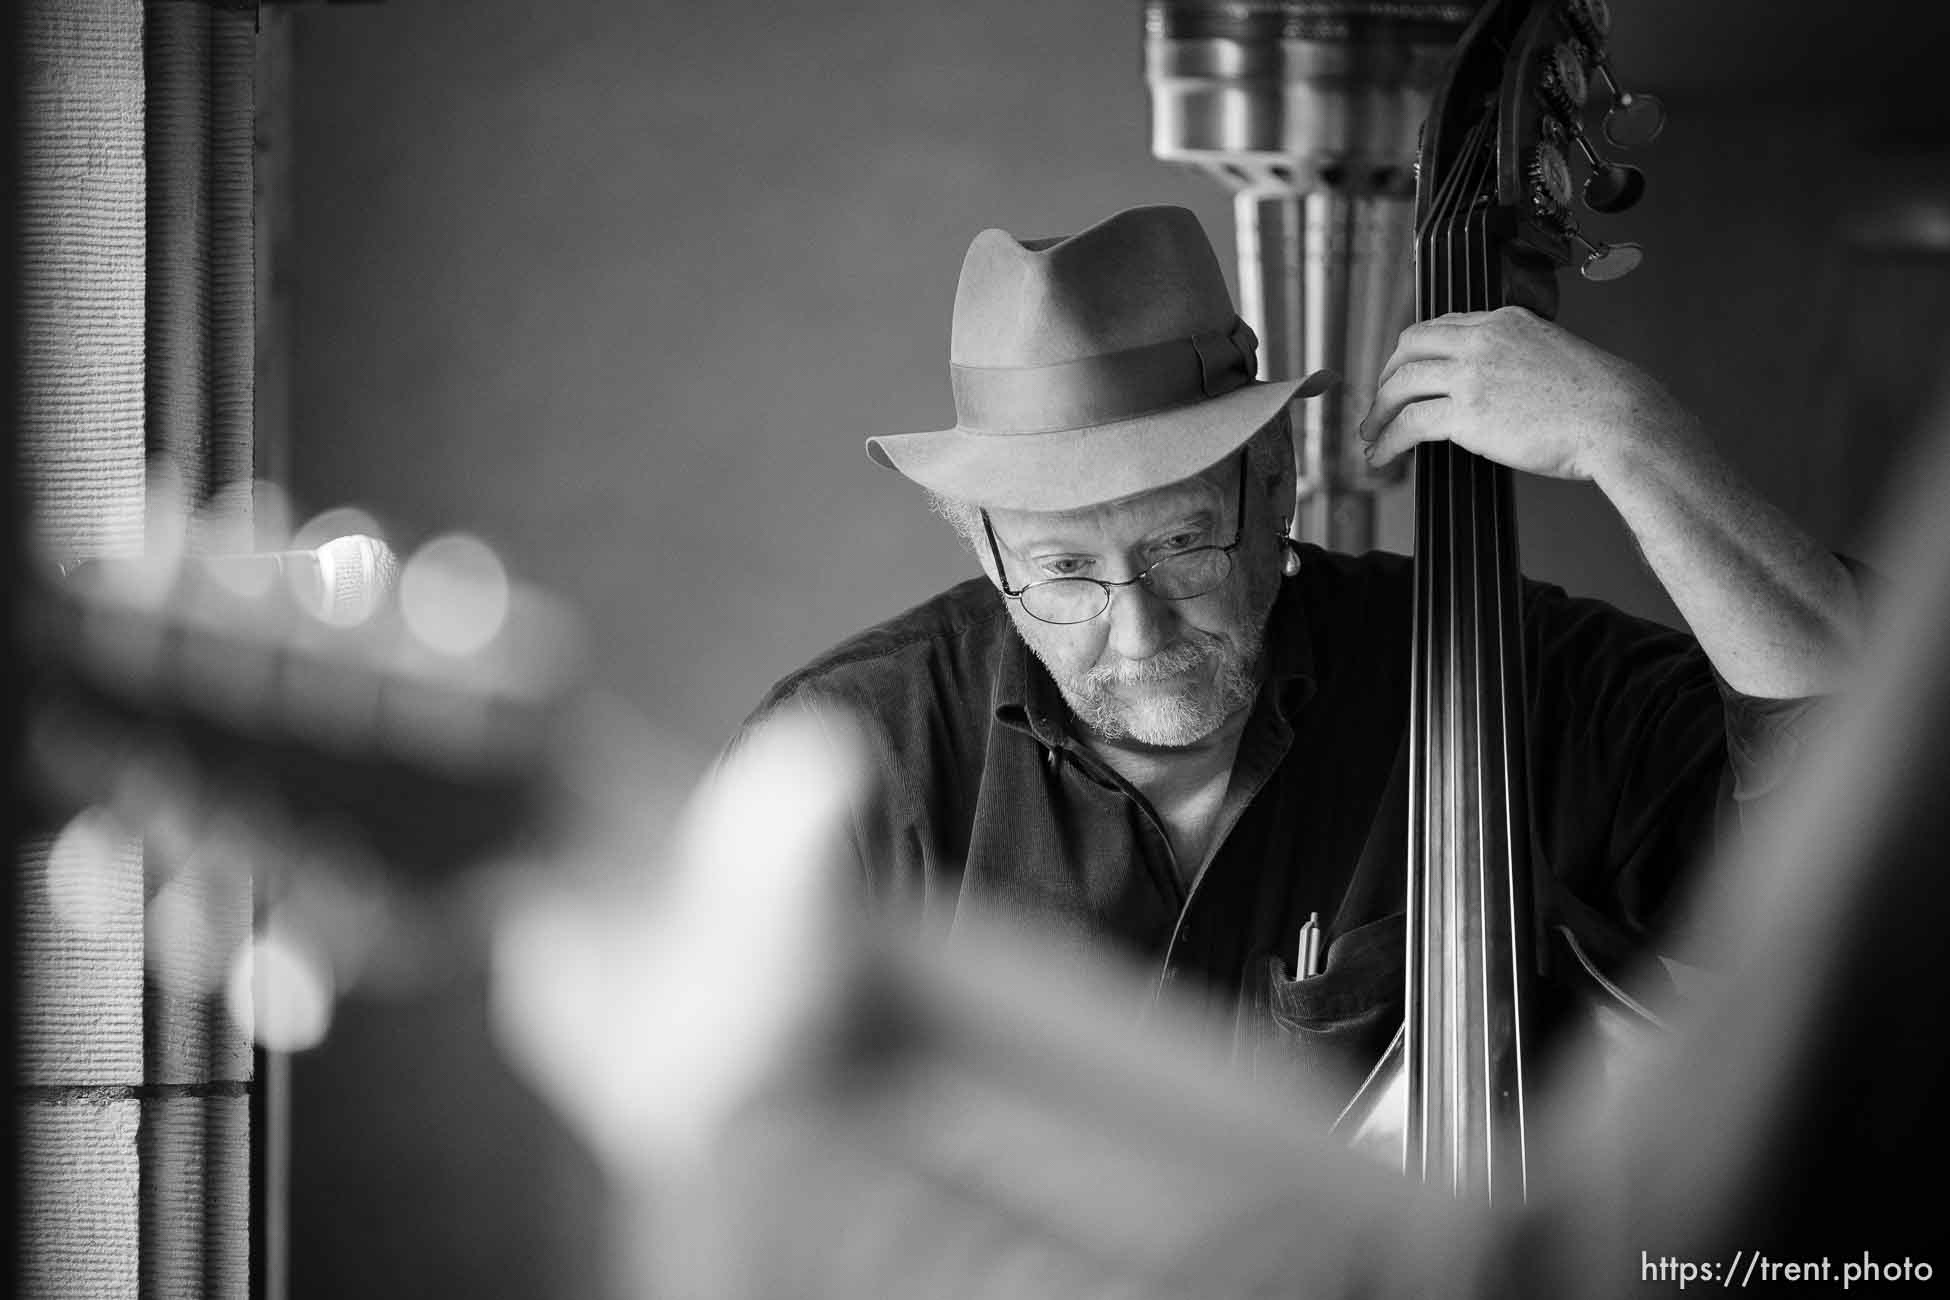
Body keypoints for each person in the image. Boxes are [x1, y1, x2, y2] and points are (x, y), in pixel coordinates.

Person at [739, 203, 1865, 1106]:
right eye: (1064, 567)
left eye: (1182, 542)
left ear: (1274, 476)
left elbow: (1863, 800)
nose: (1137, 632)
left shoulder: (1504, 675)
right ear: (982, 549)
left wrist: (1637, 439)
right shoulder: (850, 757)